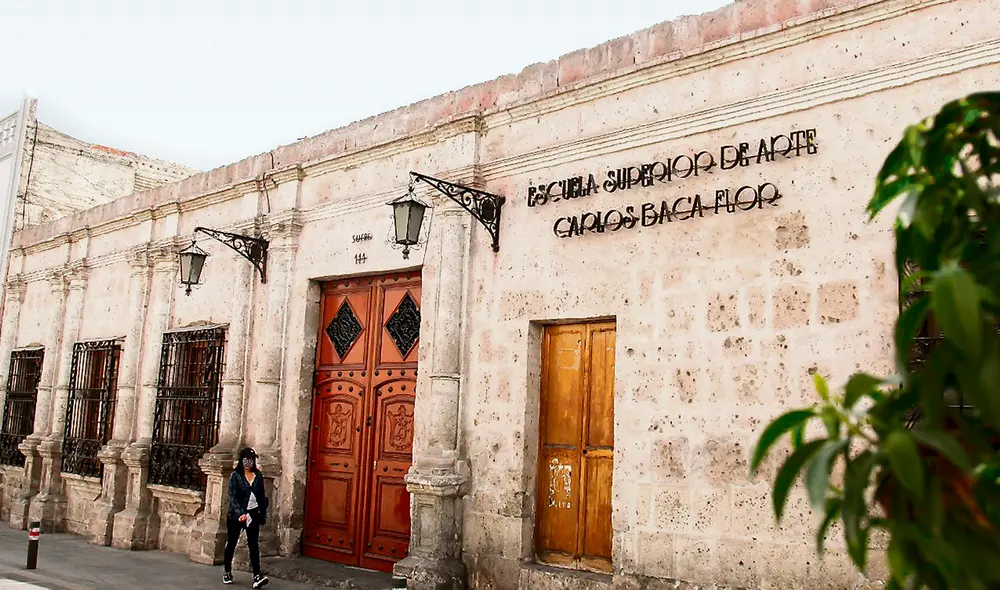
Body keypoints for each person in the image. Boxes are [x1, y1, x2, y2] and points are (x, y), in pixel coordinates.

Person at [223, 447, 269, 588]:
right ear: (241, 460)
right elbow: (232, 496)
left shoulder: (258, 476)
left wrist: (262, 514)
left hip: (253, 513)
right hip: (237, 516)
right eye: (247, 460)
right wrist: (240, 513)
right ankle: (227, 572)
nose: (249, 463)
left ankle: (256, 575)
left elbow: (261, 497)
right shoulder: (235, 476)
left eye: (252, 460)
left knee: (253, 545)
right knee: (232, 543)